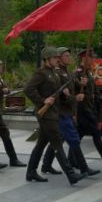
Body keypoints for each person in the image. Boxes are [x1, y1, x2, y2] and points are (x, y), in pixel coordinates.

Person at [24, 47, 86, 186]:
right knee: (57, 142)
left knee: (41, 144)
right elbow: (28, 89)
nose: (57, 60)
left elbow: (57, 92)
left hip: (54, 113)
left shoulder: (54, 73)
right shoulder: (41, 73)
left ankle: (31, 172)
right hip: (46, 114)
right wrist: (42, 101)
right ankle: (71, 175)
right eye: (54, 58)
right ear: (47, 59)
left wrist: (67, 94)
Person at [40, 47, 98, 178]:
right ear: (59, 58)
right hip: (61, 112)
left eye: (68, 55)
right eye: (66, 56)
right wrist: (74, 98)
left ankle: (46, 165)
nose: (69, 58)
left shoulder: (68, 72)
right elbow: (60, 95)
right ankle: (83, 168)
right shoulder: (58, 73)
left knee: (58, 140)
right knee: (73, 139)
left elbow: (74, 85)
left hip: (67, 111)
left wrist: (82, 82)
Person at [0, 58, 26, 167]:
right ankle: (13, 159)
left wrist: (6, 90)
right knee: (5, 133)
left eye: (1, 65)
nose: (1, 67)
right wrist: (1, 90)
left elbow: (2, 90)